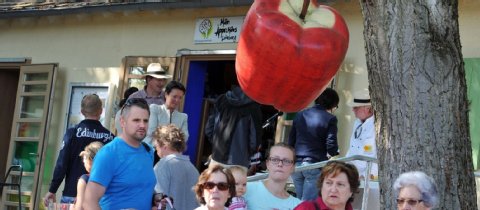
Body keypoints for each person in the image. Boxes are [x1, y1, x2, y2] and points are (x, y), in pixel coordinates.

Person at [83, 98, 156, 209]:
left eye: (145, 121)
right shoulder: (109, 154)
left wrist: (155, 197)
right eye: (136, 120)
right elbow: (89, 202)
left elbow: (138, 189)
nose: (142, 125)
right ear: (122, 122)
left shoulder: (148, 151)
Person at [43, 94, 114, 206]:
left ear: (82, 111)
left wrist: (52, 189)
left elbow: (62, 163)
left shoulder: (72, 133)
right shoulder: (110, 137)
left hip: (72, 193)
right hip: (100, 197)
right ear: (101, 111)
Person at [288, 88, 340, 201]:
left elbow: (291, 141)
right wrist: (334, 152)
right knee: (308, 205)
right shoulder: (330, 119)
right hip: (314, 164)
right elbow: (331, 144)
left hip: (296, 164)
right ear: (332, 104)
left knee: (299, 202)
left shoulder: (300, 115)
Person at [206, 85, 262, 169]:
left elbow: (209, 129)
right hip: (239, 162)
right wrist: (246, 153)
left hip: (217, 157)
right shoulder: (253, 107)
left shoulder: (221, 100)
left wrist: (217, 144)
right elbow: (254, 140)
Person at [151, 124, 199, 210]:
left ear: (164, 146)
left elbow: (160, 203)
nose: (156, 150)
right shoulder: (194, 169)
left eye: (156, 147)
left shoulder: (162, 166)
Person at [244, 143, 302, 209]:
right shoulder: (245, 189)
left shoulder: (298, 206)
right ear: (267, 164)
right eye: (275, 160)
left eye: (286, 161)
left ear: (293, 168)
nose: (280, 164)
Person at [294, 161, 360, 210]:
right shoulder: (306, 208)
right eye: (329, 183)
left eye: (340, 184)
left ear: (351, 190)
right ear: (321, 186)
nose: (333, 189)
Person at [345, 88, 378, 179]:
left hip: (368, 176)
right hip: (353, 174)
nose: (352, 110)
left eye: (356, 107)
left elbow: (376, 155)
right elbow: (352, 148)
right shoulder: (357, 122)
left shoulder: (377, 125)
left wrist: (367, 175)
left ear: (367, 109)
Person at [145, 80, 188, 146]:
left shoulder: (183, 117)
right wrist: (175, 135)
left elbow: (185, 137)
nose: (177, 100)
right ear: (166, 94)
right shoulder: (155, 108)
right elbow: (152, 131)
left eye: (180, 98)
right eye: (174, 96)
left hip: (172, 153)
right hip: (152, 150)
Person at [74, 141, 104, 210]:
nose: (83, 161)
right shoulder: (111, 179)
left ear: (90, 161)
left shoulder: (84, 180)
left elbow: (80, 207)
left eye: (84, 159)